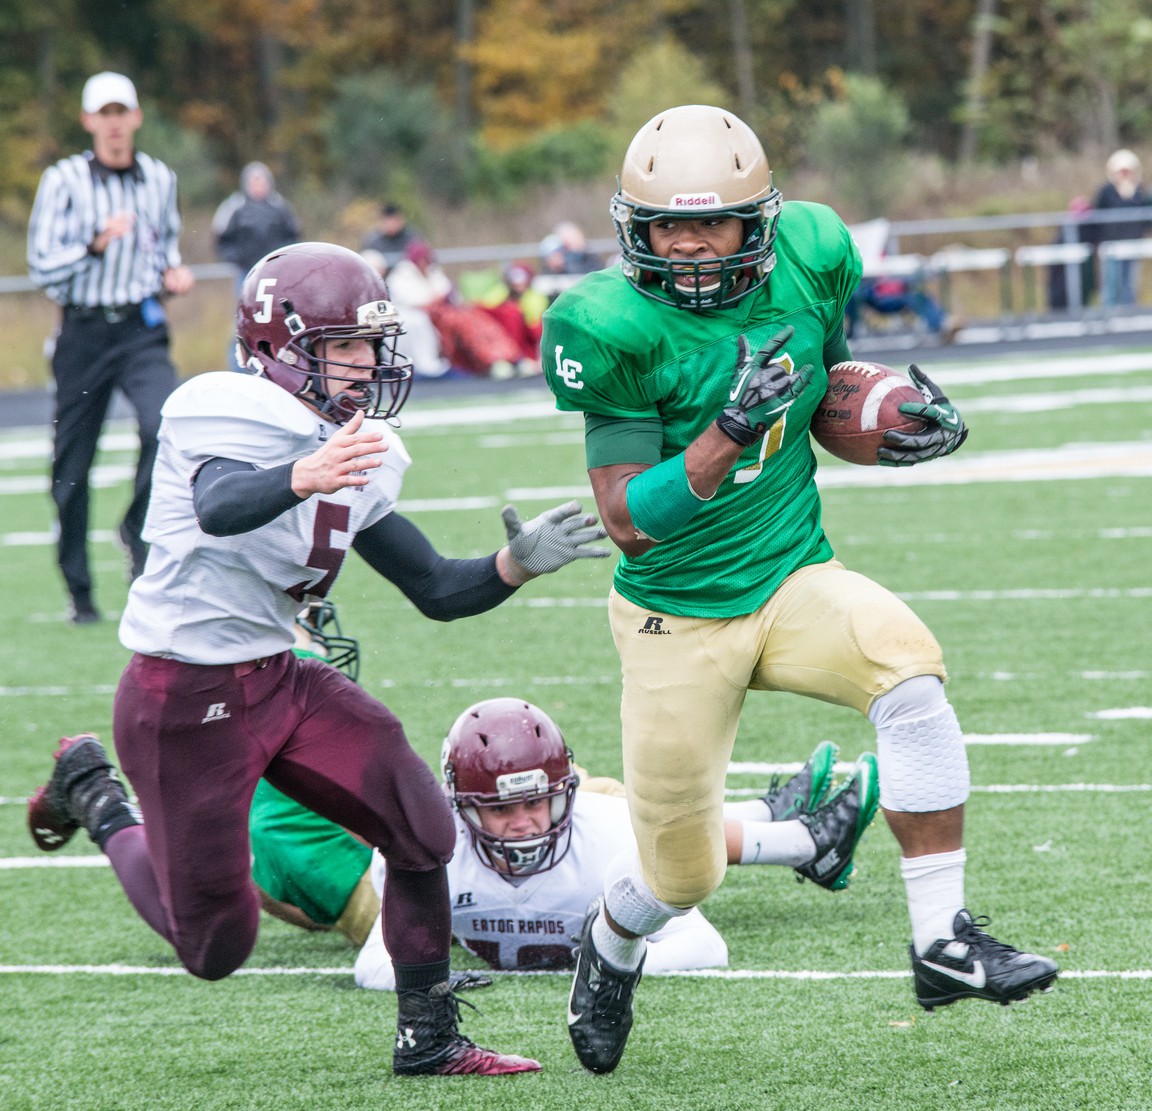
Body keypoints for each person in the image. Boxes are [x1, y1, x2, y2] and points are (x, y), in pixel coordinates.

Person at [540, 104, 1058, 1074]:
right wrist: (724, 431)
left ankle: (942, 941)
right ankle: (608, 947)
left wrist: (892, 423)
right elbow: (625, 518)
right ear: (632, 231)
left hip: (791, 577)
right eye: (667, 228)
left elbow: (820, 396)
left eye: (714, 225)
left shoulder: (814, 254)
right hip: (674, 615)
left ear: (762, 224)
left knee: (911, 674)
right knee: (681, 872)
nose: (690, 247)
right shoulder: (603, 322)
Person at [25, 241, 613, 1077]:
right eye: (345, 346)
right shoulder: (221, 408)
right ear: (277, 347)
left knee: (421, 826)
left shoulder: (352, 446)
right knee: (216, 945)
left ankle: (429, 1037)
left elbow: (436, 589)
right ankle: (97, 796)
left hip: (280, 675)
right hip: (182, 693)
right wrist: (303, 473)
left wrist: (514, 563)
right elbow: (221, 503)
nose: (367, 365)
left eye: (373, 345)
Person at [250, 686, 880, 988]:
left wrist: (611, 960)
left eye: (540, 803)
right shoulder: (421, 852)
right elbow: (376, 963)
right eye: (498, 812)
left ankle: (785, 827)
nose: (522, 825)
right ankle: (793, 832)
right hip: (434, 906)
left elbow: (702, 944)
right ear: (459, 810)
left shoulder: (602, 833)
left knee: (617, 809)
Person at [26, 71, 196, 623]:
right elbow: (43, 266)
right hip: (83, 332)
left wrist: (172, 274)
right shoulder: (64, 180)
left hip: (140, 329)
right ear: (89, 121)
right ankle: (80, 591)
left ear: (137, 118)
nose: (115, 123)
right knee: (73, 465)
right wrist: (95, 246)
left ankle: (135, 528)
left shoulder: (159, 178)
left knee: (164, 425)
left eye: (124, 112)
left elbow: (164, 244)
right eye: (106, 113)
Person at [387, 240, 521, 379]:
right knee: (463, 323)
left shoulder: (433, 272)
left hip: (445, 311)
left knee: (478, 317)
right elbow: (413, 302)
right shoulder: (401, 276)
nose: (424, 263)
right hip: (428, 316)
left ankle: (509, 357)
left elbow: (446, 292)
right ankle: (491, 360)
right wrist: (435, 299)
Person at [213, 161, 301, 370]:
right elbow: (222, 239)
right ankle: (239, 368)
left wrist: (283, 261)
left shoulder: (279, 207)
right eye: (254, 181)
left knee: (280, 319)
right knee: (243, 321)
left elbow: (293, 236)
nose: (258, 185)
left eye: (261, 180)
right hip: (247, 275)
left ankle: (281, 367)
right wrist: (239, 258)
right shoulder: (235, 207)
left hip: (276, 276)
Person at [1083, 149, 1150, 307]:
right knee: (1112, 283)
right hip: (1111, 245)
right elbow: (1097, 216)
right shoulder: (1106, 191)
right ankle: (1109, 316)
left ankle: (1129, 315)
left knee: (1129, 284)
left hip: (1133, 244)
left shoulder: (1140, 191)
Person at [843, 275, 961, 344]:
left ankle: (943, 322)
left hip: (898, 294)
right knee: (856, 293)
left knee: (919, 296)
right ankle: (942, 325)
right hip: (880, 298)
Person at [477, 263, 548, 375]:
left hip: (526, 349)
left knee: (526, 370)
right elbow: (485, 306)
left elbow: (535, 329)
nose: (518, 286)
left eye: (521, 282)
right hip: (505, 347)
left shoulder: (535, 298)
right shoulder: (503, 293)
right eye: (514, 283)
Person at [360, 202, 420, 269]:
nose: (391, 225)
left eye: (394, 220)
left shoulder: (412, 238)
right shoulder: (373, 241)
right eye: (388, 221)